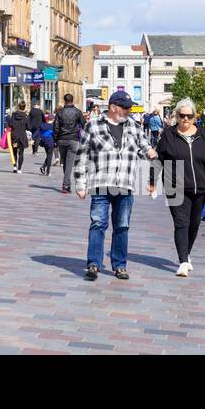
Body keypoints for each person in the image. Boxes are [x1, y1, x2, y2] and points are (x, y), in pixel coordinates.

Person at [74, 90, 158, 281]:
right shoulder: (93, 125)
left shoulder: (134, 127)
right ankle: (93, 263)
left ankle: (119, 265)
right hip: (101, 183)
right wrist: (80, 183)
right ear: (113, 107)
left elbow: (143, 146)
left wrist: (150, 152)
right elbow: (82, 156)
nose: (128, 111)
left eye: (129, 108)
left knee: (122, 226)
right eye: (125, 108)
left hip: (125, 184)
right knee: (98, 223)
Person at [153, 97, 205, 276]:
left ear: (194, 116)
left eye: (189, 116)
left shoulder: (204, 135)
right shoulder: (168, 135)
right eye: (181, 115)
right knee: (181, 222)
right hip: (175, 185)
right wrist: (152, 181)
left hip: (200, 186)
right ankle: (183, 261)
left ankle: (187, 253)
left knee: (194, 223)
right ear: (176, 116)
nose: (185, 119)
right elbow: (159, 158)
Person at [53, 93, 86, 194]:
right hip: (73, 139)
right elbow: (84, 124)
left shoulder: (60, 112)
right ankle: (66, 185)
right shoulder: (77, 112)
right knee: (68, 164)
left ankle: (67, 184)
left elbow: (56, 127)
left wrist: (55, 139)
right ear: (73, 100)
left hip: (62, 139)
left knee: (66, 163)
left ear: (64, 100)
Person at [8, 101, 30, 174]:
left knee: (14, 151)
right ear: (24, 108)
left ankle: (14, 166)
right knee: (21, 153)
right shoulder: (25, 117)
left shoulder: (13, 115)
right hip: (22, 136)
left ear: (18, 107)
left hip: (14, 136)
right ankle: (19, 169)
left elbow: (9, 124)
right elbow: (28, 127)